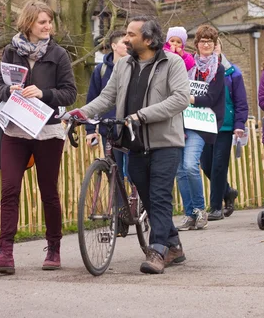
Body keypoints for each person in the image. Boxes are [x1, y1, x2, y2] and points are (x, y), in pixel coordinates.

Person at [74, 16, 190, 274]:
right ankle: (174, 245)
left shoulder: (173, 63)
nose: (125, 38)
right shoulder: (124, 65)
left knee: (159, 196)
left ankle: (157, 251)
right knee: (149, 198)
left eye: (130, 34)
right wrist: (81, 113)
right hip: (134, 143)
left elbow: (181, 99)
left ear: (148, 40)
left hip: (165, 143)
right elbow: (107, 97)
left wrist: (143, 115)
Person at [0, 0, 77, 275]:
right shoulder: (11, 51)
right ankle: (4, 253)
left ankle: (54, 248)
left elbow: (70, 93)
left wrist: (43, 93)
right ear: (28, 24)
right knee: (9, 189)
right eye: (42, 22)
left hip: (47, 131)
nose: (48, 27)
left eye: (49, 22)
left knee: (48, 192)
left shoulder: (59, 55)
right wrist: (7, 91)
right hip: (15, 129)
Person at [176, 25, 225, 230]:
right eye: (202, 41)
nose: (206, 44)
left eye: (210, 42)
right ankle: (189, 214)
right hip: (181, 122)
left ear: (214, 46)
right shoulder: (186, 66)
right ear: (196, 45)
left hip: (202, 124)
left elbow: (212, 97)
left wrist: (190, 99)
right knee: (179, 170)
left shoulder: (218, 69)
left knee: (189, 165)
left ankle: (199, 209)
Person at [201, 39, 248, 220]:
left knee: (219, 165)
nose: (212, 49)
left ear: (219, 48)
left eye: (215, 45)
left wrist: (239, 125)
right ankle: (228, 192)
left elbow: (241, 101)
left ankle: (215, 208)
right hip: (204, 123)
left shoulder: (233, 72)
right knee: (206, 165)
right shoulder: (199, 71)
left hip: (225, 125)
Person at [85, 30, 128, 180]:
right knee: (114, 175)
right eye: (124, 42)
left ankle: (137, 202)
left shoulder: (135, 68)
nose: (128, 45)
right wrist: (90, 129)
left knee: (133, 173)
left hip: (129, 128)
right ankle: (118, 204)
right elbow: (92, 99)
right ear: (114, 46)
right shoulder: (101, 70)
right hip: (108, 130)